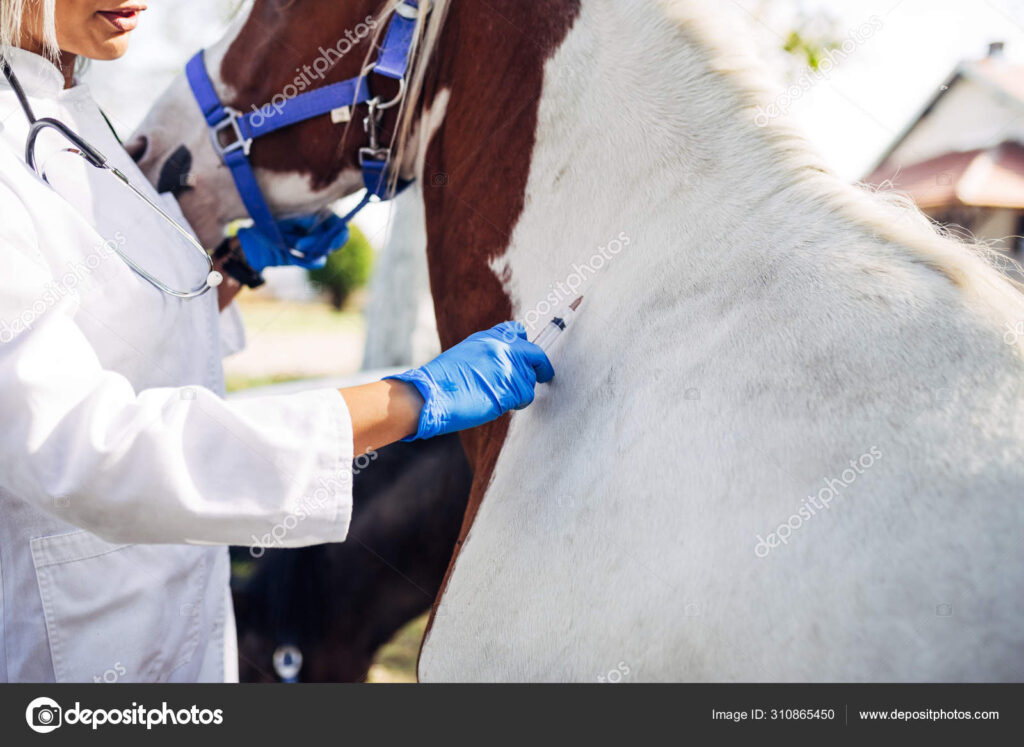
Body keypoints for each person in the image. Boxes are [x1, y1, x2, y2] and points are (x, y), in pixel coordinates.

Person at [0, 0, 553, 682]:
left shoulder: (69, 113)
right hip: (72, 653)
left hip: (178, 615)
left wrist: (235, 267)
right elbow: (83, 449)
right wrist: (410, 399)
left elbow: (121, 323)